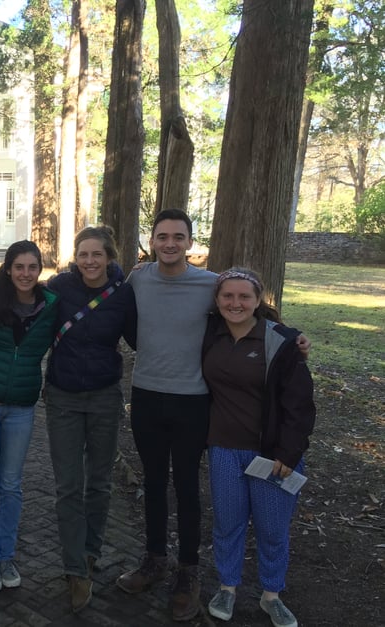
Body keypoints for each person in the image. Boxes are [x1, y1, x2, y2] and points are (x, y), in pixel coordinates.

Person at [117, 209, 309, 622]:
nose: (170, 243)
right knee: (153, 482)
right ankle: (154, 559)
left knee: (186, 487)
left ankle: (188, 572)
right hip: (147, 396)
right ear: (152, 241)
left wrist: (294, 338)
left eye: (178, 236)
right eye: (162, 236)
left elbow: (247, 311)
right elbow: (132, 327)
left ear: (190, 242)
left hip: (193, 401)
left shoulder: (210, 284)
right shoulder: (138, 279)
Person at [202, 268, 315, 627]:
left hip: (271, 455)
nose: (235, 303)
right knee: (228, 523)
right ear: (217, 300)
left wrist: (289, 453)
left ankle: (271, 595)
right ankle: (228, 587)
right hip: (223, 449)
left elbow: (299, 405)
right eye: (227, 296)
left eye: (244, 297)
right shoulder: (210, 333)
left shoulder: (280, 342)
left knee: (272, 527)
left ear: (257, 300)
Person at [43, 226, 137, 612]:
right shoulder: (59, 287)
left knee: (98, 484)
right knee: (68, 485)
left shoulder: (124, 293)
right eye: (84, 254)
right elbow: (27, 319)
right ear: (75, 256)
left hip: (104, 396)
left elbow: (142, 338)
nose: (90, 261)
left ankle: (92, 551)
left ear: (110, 256)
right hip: (63, 396)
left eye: (97, 254)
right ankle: (74, 567)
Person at [0, 241, 59, 592]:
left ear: (40, 270)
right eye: (18, 267)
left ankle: (7, 555)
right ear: (8, 269)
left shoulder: (50, 305)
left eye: (31, 267)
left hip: (22, 406)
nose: (25, 273)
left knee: (12, 485)